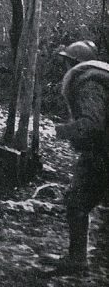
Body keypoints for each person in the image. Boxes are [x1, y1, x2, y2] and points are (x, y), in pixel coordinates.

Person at [49, 40, 107, 274]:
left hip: (101, 154)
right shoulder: (100, 78)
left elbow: (92, 124)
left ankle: (77, 260)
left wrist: (61, 131)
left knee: (77, 201)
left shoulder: (89, 83)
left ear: (74, 63)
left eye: (66, 62)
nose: (64, 67)